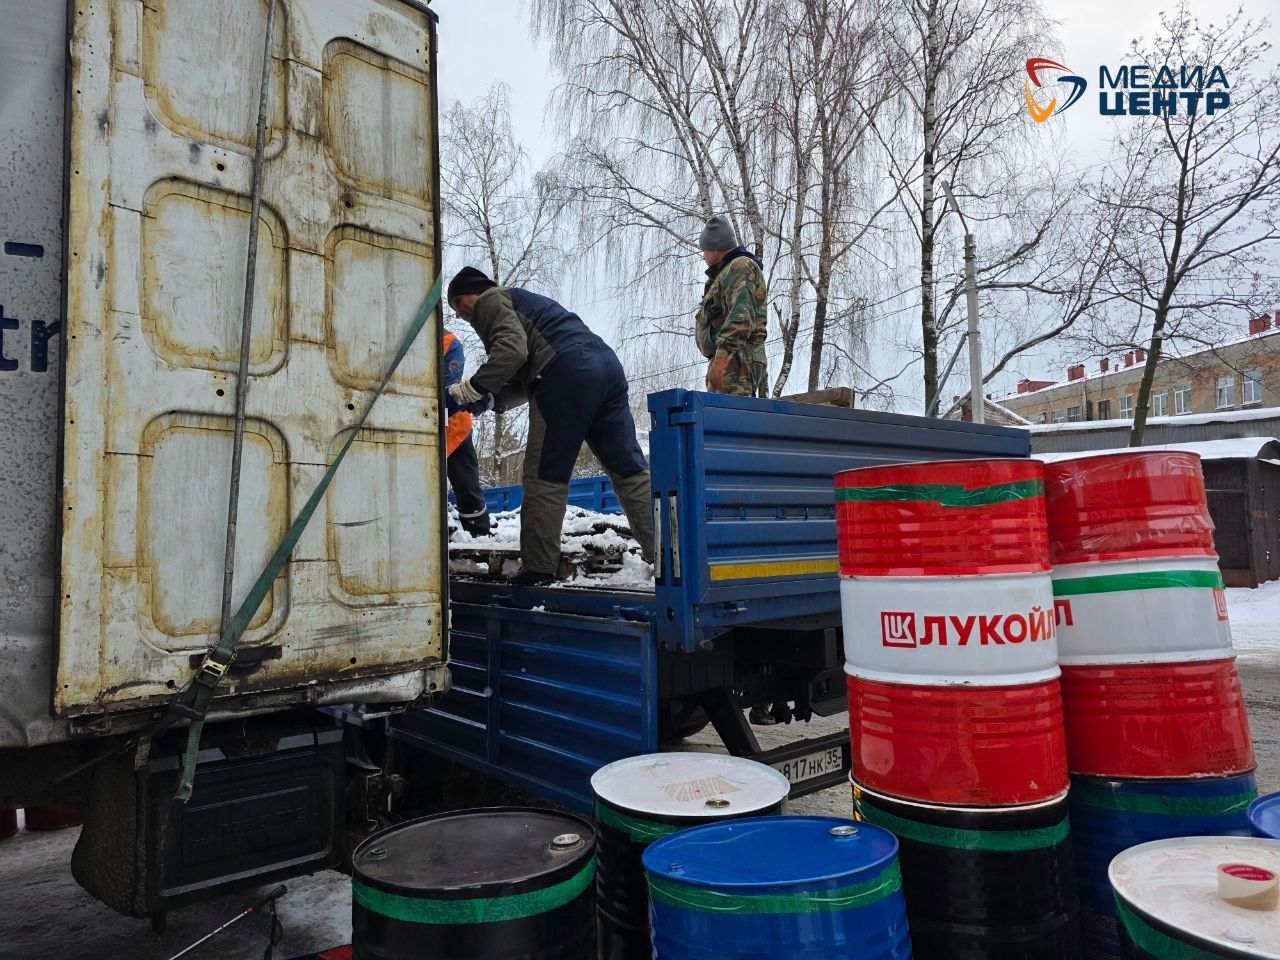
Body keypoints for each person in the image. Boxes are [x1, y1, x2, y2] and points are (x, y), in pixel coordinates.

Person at [445, 267, 654, 586]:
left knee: (545, 474)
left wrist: (471, 389)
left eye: (458, 305)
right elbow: (525, 371)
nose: (460, 315)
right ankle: (667, 554)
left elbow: (513, 351)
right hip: (607, 368)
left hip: (564, 374)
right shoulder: (529, 306)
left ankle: (539, 567)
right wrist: (490, 398)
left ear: (471, 292)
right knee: (629, 471)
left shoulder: (491, 299)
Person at [694, 214, 769, 398]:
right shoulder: (726, 272)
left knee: (732, 414)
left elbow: (741, 315)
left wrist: (722, 359)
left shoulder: (740, 266)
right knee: (722, 414)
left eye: (705, 250)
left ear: (715, 247)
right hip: (731, 360)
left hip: (737, 361)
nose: (703, 256)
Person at [442, 330, 492, 538]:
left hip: (455, 429)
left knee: (467, 486)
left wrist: (474, 397)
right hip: (426, 425)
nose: (457, 315)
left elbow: (448, 392)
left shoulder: (449, 342)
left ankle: (478, 533)